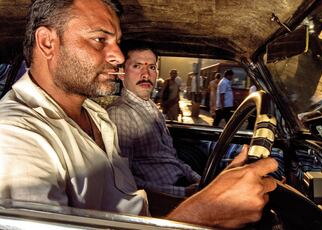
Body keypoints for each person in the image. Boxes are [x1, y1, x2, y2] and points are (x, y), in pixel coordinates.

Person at [0, 0, 278, 229]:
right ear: (48, 42)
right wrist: (201, 214)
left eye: (117, 42)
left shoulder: (97, 116)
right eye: (100, 39)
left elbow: (125, 205)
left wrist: (207, 196)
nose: (119, 57)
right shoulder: (14, 135)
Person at [107, 46, 200, 197]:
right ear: (122, 74)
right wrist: (182, 192)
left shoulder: (151, 107)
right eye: (137, 66)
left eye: (151, 67)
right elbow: (124, 180)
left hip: (181, 182)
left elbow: (171, 157)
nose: (146, 74)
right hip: (162, 198)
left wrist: (199, 181)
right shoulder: (121, 114)